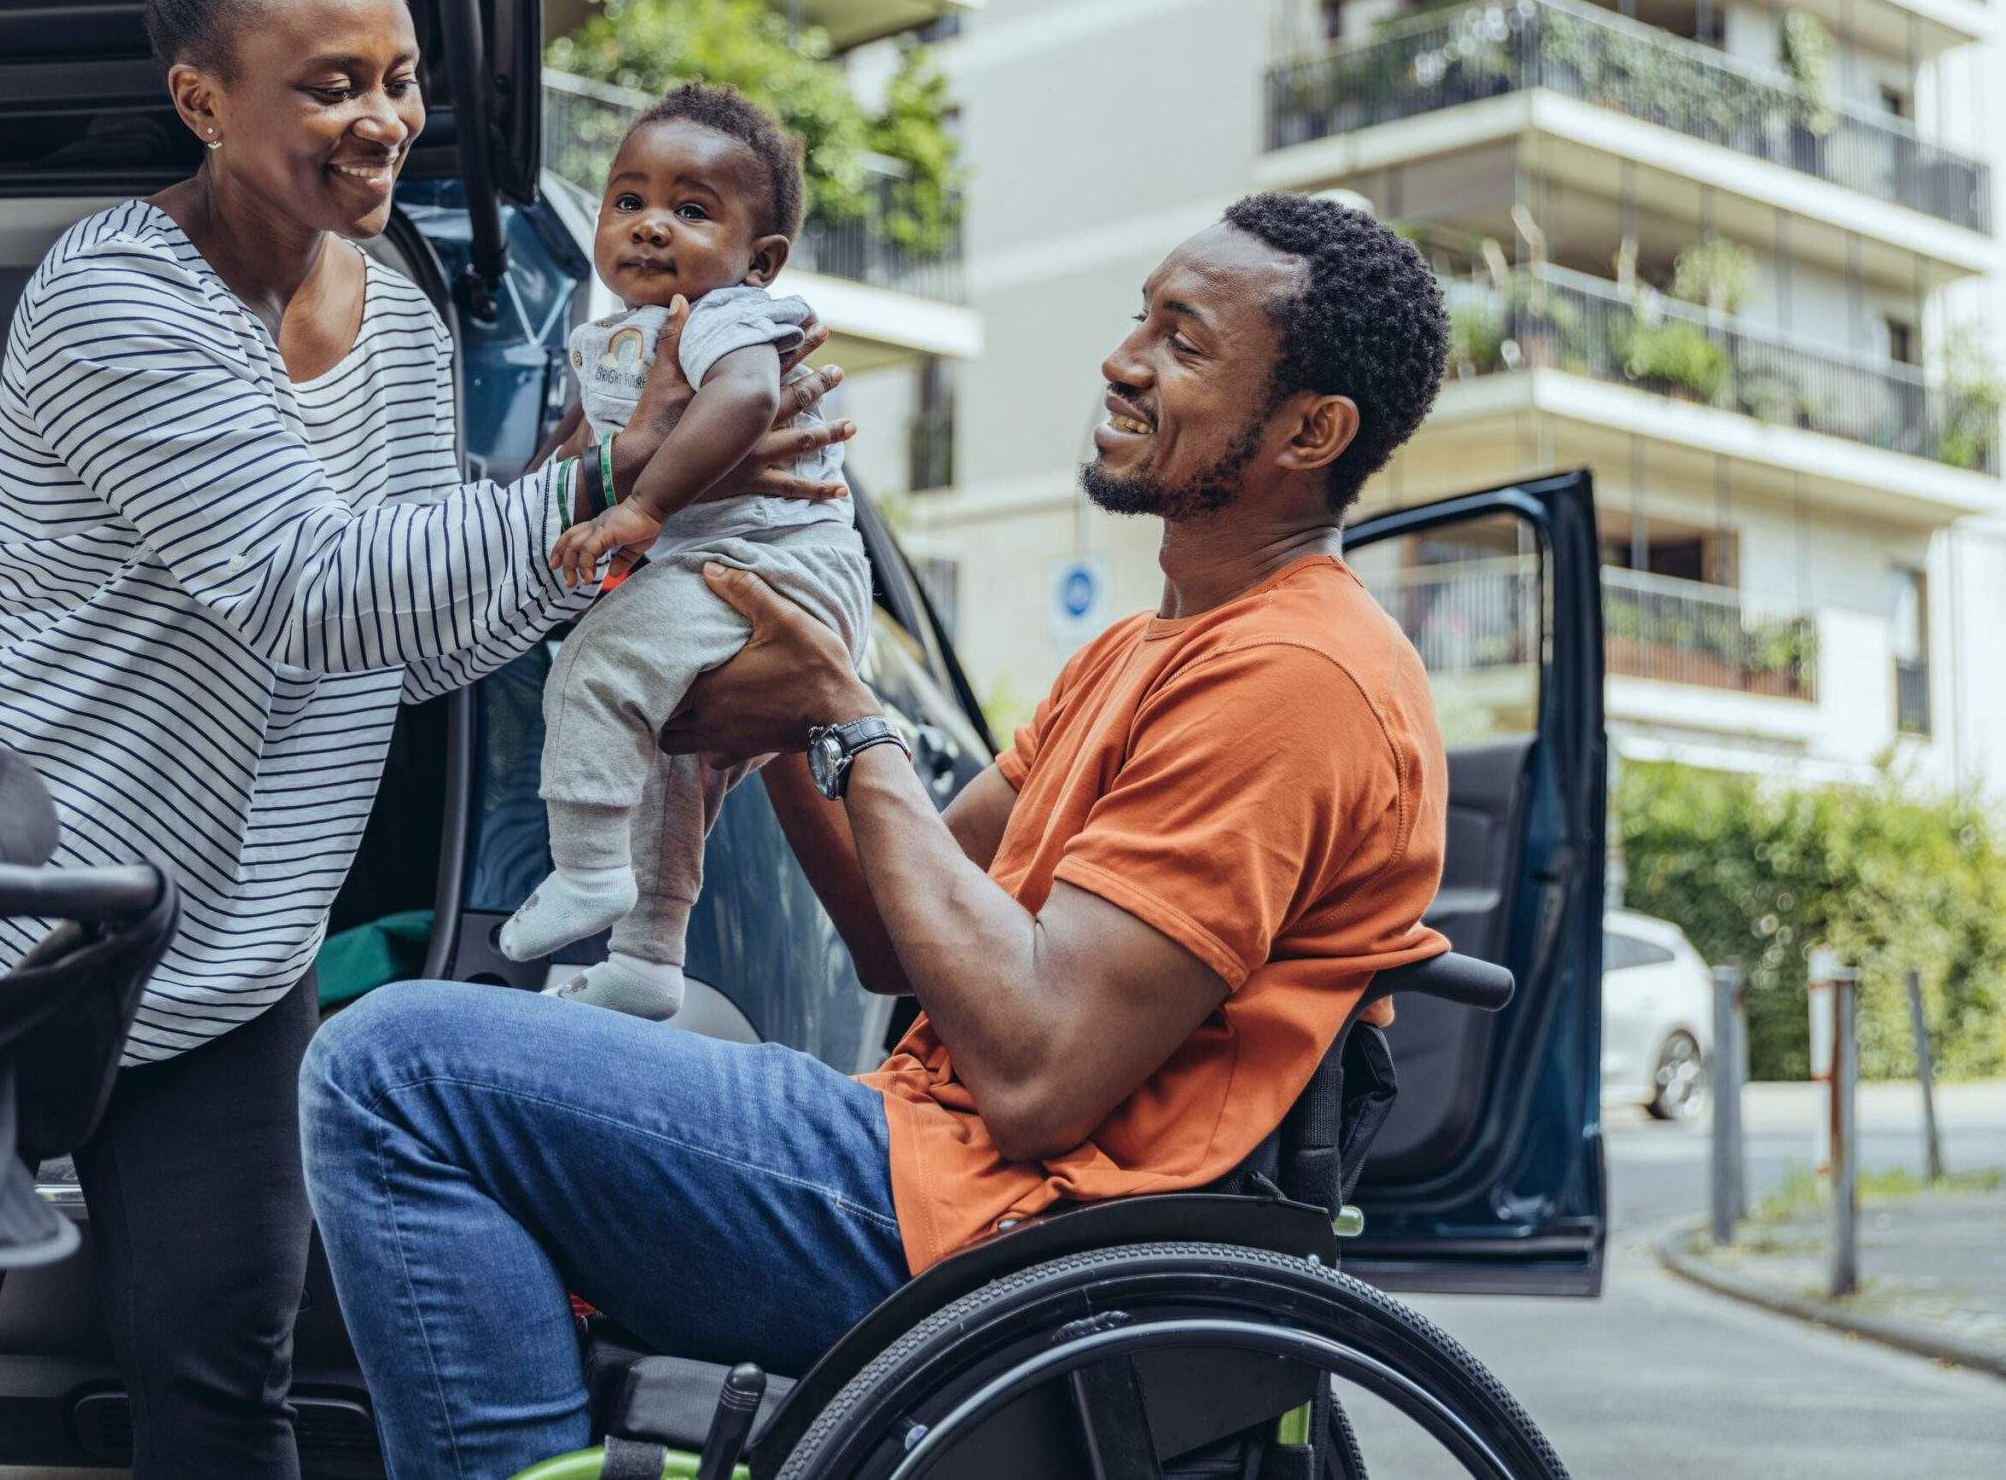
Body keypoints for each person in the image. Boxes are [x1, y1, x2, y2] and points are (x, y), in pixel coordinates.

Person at [0, 0, 850, 1478]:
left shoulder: (408, 320)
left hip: (224, 929)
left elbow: (423, 627)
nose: (383, 122)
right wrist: (607, 476)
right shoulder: (115, 296)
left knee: (227, 1374)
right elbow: (308, 584)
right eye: (329, 84)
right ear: (204, 98)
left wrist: (622, 516)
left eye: (400, 77)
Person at [301, 191, 1461, 1480]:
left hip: (1019, 1236)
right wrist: (791, 706)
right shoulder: (1147, 649)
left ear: (1313, 429)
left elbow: (1032, 1074)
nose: (1122, 361)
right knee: (581, 1027)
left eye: (1184, 343)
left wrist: (847, 716)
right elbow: (890, 938)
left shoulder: (1297, 677)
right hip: (939, 1171)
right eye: (1140, 320)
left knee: (392, 1071)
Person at [498, 82, 871, 1019]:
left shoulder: (728, 317)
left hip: (773, 571)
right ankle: (648, 956)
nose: (650, 226)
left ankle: (585, 872)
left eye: (690, 209)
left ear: (761, 259)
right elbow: (568, 462)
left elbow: (744, 402)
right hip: (722, 575)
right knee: (667, 766)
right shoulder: (612, 340)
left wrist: (644, 508)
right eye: (629, 201)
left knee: (597, 660)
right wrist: (547, 497)